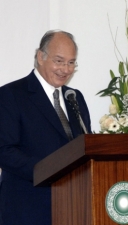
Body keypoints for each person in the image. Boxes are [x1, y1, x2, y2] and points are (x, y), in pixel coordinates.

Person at [0, 30, 92, 225]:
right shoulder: (11, 95)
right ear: (40, 57)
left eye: (71, 62)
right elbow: (4, 151)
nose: (65, 69)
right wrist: (49, 171)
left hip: (74, 208)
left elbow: (85, 144)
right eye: (59, 61)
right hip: (28, 209)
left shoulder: (75, 97)